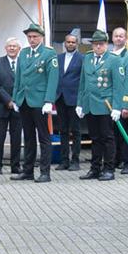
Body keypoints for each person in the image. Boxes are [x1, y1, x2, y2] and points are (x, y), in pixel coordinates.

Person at [11, 23, 60, 183]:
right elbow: (18, 78)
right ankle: (28, 171)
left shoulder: (48, 54)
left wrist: (49, 100)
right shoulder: (24, 53)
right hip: (24, 99)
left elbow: (53, 79)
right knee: (29, 137)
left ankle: (45, 172)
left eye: (35, 37)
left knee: (44, 137)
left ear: (41, 37)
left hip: (40, 101)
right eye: (29, 37)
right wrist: (15, 98)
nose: (32, 39)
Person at [76, 30, 127, 182]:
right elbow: (82, 83)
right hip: (90, 104)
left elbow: (119, 86)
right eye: (95, 44)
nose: (97, 47)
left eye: (100, 44)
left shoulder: (113, 59)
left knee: (107, 138)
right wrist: (80, 104)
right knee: (95, 138)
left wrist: (117, 107)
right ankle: (95, 168)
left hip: (106, 105)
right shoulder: (88, 58)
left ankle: (109, 169)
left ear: (106, 44)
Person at [0, 38, 23, 175]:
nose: (12, 48)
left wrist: (16, 101)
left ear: (19, 49)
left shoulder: (23, 63)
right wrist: (8, 101)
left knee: (16, 138)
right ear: (5, 48)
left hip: (19, 106)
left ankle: (15, 166)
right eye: (9, 46)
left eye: (14, 46)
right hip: (1, 106)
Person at [109, 27, 128, 174]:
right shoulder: (108, 56)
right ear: (112, 38)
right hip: (108, 103)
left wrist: (126, 105)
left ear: (126, 39)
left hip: (122, 103)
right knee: (110, 134)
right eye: (116, 36)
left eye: (121, 36)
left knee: (124, 133)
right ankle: (113, 160)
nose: (118, 38)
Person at [55, 32, 84, 170]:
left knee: (76, 131)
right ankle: (64, 160)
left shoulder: (82, 59)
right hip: (60, 98)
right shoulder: (58, 58)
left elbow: (83, 80)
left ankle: (75, 160)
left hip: (74, 99)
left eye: (73, 42)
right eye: (68, 42)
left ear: (76, 44)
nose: (70, 44)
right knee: (63, 130)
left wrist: (81, 100)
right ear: (64, 43)